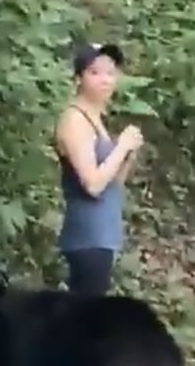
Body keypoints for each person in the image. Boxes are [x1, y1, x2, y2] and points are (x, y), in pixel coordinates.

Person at [54, 42, 144, 295]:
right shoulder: (75, 120)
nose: (105, 80)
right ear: (79, 77)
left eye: (110, 73)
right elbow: (92, 184)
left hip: (103, 236)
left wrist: (127, 155)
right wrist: (121, 146)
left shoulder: (96, 119)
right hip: (87, 237)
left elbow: (113, 185)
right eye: (95, 72)